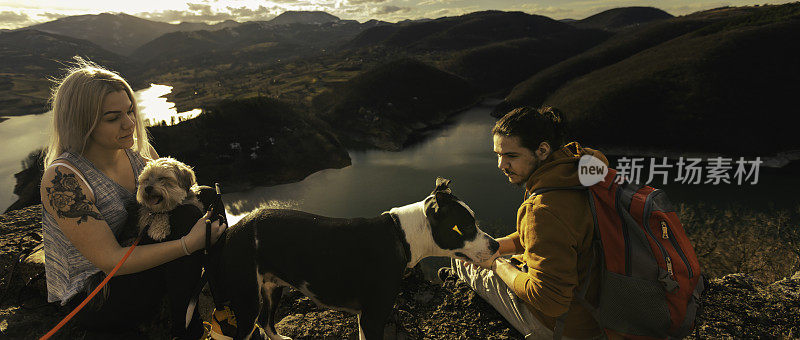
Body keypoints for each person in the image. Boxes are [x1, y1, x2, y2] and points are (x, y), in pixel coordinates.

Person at [39, 58, 227, 338]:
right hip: (98, 294)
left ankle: (226, 307)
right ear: (81, 122)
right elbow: (110, 260)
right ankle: (187, 330)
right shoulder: (63, 178)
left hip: (142, 260)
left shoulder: (139, 153)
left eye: (129, 111)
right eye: (113, 118)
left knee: (207, 195)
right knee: (188, 217)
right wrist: (189, 244)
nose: (129, 124)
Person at [440, 106, 611, 339]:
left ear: (542, 150)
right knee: (495, 255)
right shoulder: (585, 171)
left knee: (463, 261)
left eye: (511, 156)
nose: (501, 165)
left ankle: (455, 280)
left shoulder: (543, 208)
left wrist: (494, 263)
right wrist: (497, 246)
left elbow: (549, 302)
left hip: (571, 328)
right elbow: (552, 236)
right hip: (606, 307)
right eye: (498, 155)